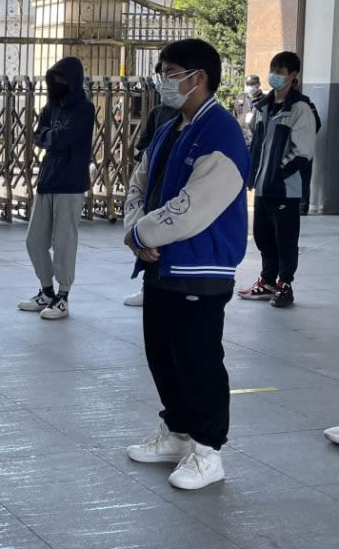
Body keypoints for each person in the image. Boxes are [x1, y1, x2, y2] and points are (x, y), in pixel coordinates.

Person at [123, 38, 250, 491]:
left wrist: (144, 234)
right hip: (162, 266)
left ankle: (208, 450)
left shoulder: (221, 133)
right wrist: (136, 229)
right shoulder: (169, 127)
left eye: (170, 73)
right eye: (162, 72)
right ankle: (176, 432)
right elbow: (139, 183)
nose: (163, 81)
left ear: (199, 77)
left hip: (201, 268)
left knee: (198, 360)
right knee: (163, 353)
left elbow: (194, 206)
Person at [237, 51, 317, 308]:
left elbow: (303, 152)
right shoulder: (263, 107)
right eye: (273, 71)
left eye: (280, 72)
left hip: (285, 189)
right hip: (263, 186)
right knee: (263, 236)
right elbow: (255, 142)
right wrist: (254, 174)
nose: (275, 76)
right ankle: (267, 281)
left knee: (285, 240)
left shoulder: (300, 108)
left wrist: (278, 173)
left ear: (293, 75)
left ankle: (285, 285)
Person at [18, 57, 94, 320]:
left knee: (64, 243)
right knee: (34, 240)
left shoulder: (84, 109)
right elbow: (38, 135)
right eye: (54, 79)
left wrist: (49, 137)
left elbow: (61, 139)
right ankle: (47, 291)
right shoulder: (51, 107)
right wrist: (50, 138)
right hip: (48, 179)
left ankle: (63, 296)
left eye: (62, 79)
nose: (57, 83)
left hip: (70, 184)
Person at [123, 66, 181, 307]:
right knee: (150, 235)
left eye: (170, 76)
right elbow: (143, 142)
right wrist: (151, 155)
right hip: (154, 181)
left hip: (175, 187)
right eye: (162, 77)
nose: (164, 82)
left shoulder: (194, 118)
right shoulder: (158, 113)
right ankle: (147, 285)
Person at [233, 73, 264, 145]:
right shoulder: (240, 98)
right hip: (241, 139)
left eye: (252, 84)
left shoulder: (265, 100)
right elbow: (235, 116)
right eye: (247, 84)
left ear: (259, 84)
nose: (249, 86)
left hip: (256, 141)